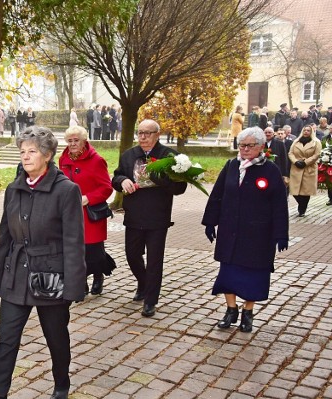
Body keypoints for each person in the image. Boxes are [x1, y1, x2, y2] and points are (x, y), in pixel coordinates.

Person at [0, 126, 85, 399]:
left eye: (32, 151)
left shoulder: (66, 190)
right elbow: (5, 237)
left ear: (47, 155)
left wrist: (74, 287)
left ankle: (61, 381)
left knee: (56, 337)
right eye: (22, 151)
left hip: (51, 278)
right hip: (16, 276)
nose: (26, 156)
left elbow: (74, 241)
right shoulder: (14, 188)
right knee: (6, 340)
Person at [202, 127, 289, 333]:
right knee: (228, 274)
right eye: (242, 145)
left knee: (253, 276)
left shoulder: (270, 170)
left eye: (250, 146)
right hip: (230, 230)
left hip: (258, 235)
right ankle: (230, 310)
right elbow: (217, 194)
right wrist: (209, 222)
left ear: (260, 147)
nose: (245, 149)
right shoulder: (232, 165)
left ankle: (247, 313)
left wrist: (281, 234)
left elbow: (279, 205)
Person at [112, 119, 187, 317]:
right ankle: (143, 283)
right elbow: (116, 177)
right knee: (132, 255)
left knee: (155, 260)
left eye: (148, 133)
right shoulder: (129, 155)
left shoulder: (170, 156)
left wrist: (158, 178)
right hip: (134, 215)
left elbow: (180, 188)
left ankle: (150, 300)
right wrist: (123, 181)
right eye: (140, 133)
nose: (143, 137)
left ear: (157, 134)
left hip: (157, 217)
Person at [59, 125, 116, 295]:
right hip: (70, 213)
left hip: (90, 214)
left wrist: (88, 198)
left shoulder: (96, 160)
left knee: (94, 252)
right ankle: (80, 280)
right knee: (75, 250)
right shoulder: (63, 159)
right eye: (70, 141)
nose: (73, 144)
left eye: (76, 140)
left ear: (84, 141)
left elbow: (107, 188)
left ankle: (98, 275)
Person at [288, 124, 322, 217]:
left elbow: (317, 155)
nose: (306, 132)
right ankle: (301, 204)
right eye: (304, 130)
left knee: (306, 191)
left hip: (309, 168)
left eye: (308, 130)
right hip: (296, 167)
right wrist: (295, 162)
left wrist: (306, 162)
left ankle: (302, 209)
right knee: (294, 190)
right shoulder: (296, 141)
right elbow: (290, 153)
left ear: (311, 132)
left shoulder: (316, 142)